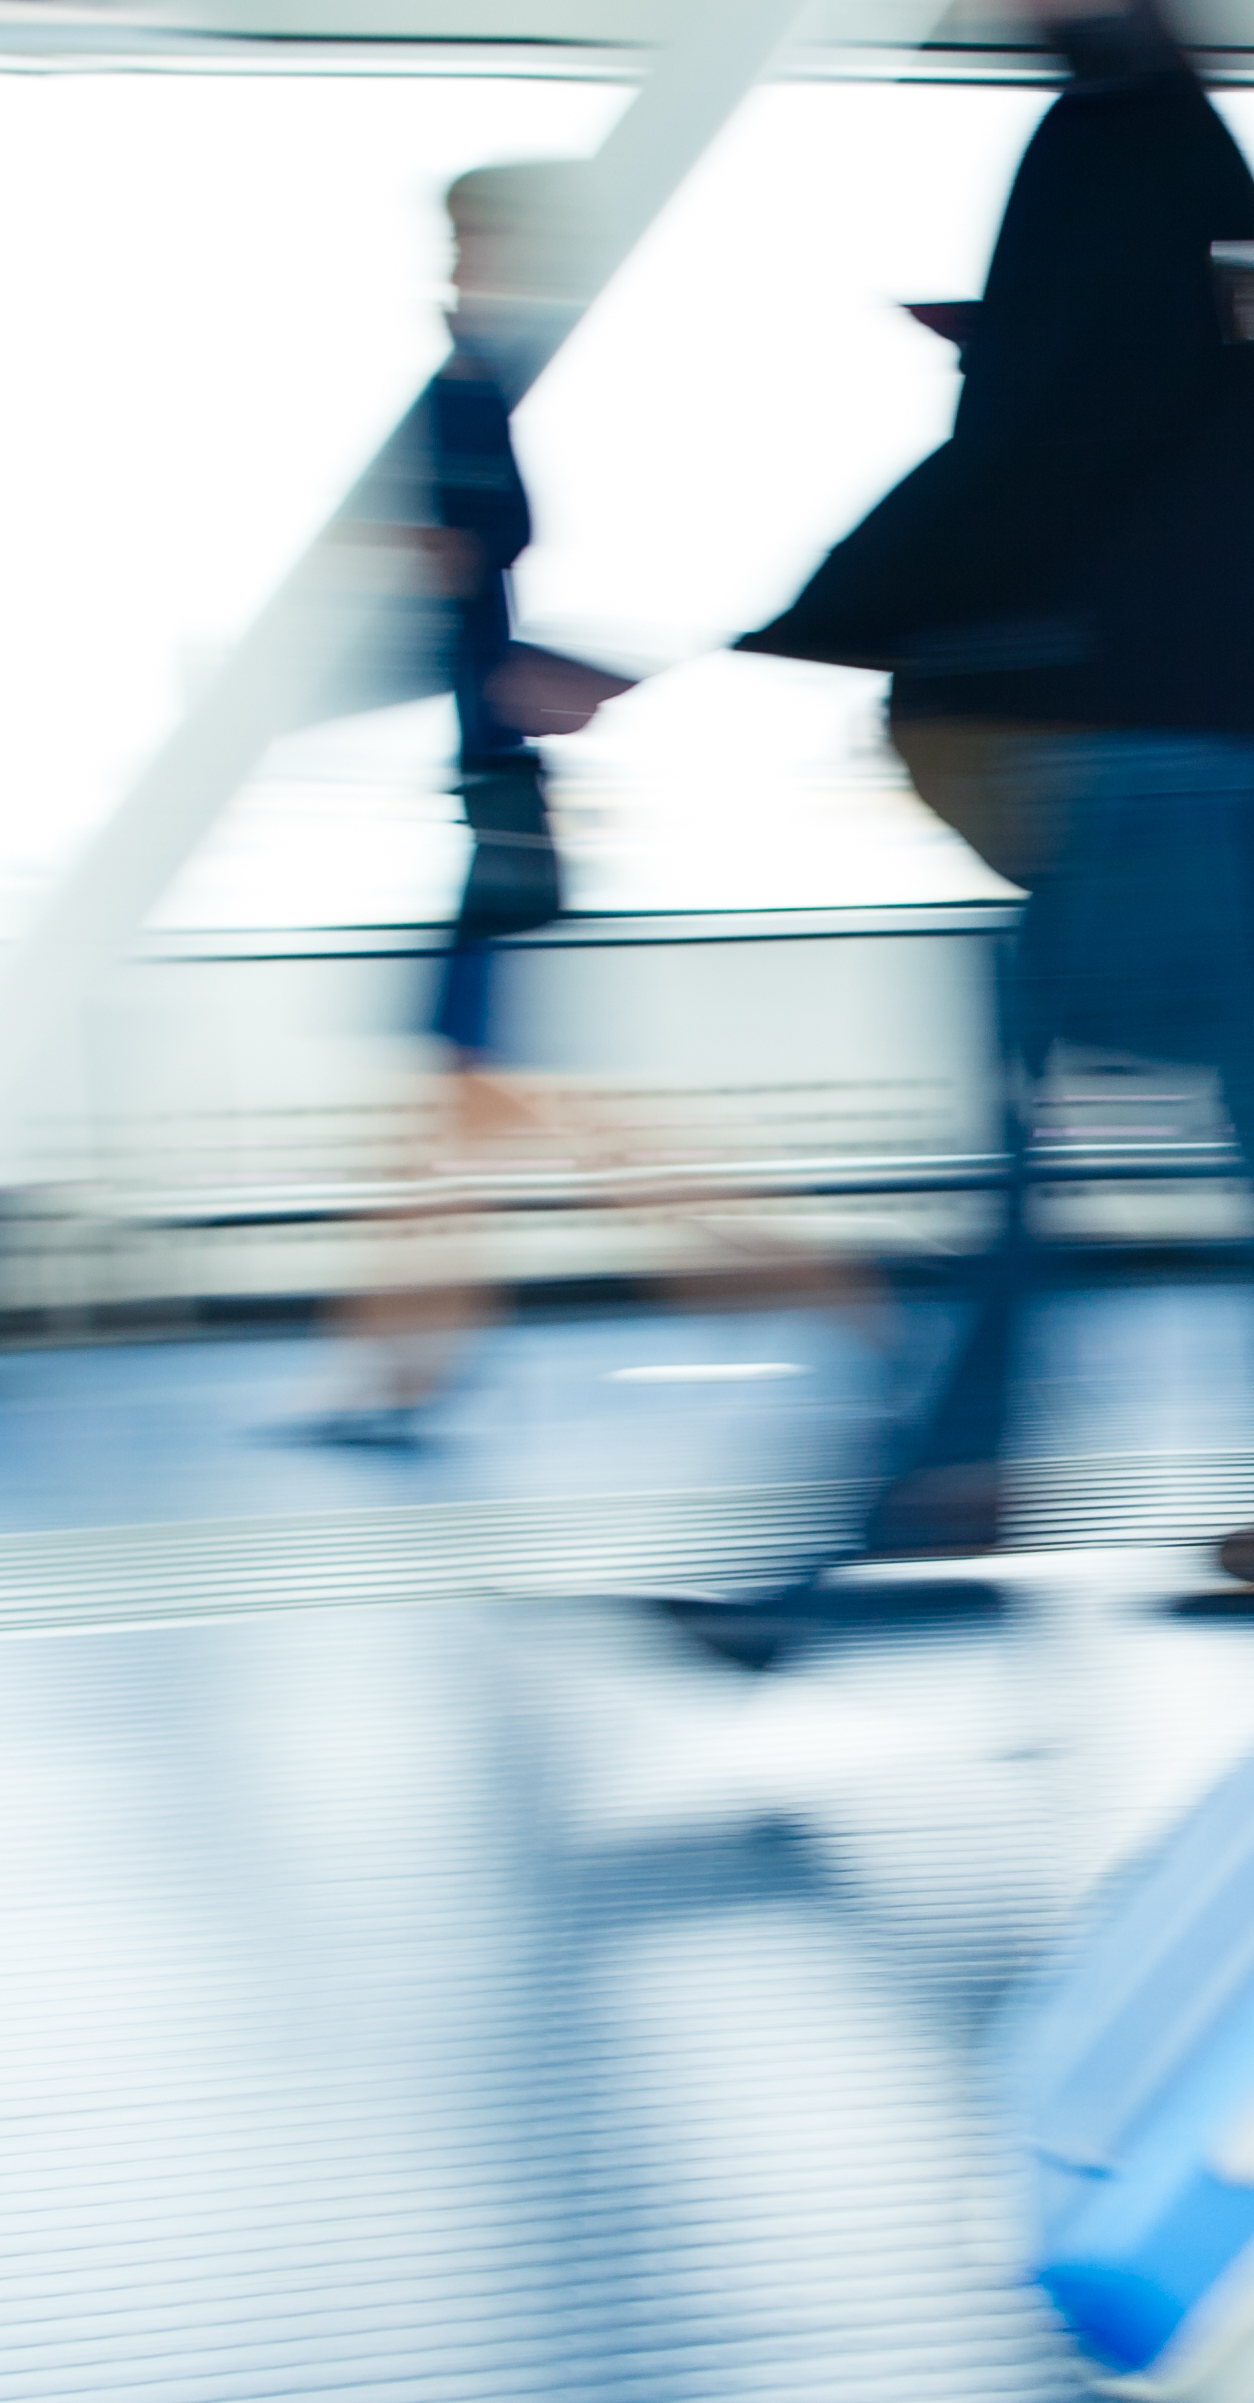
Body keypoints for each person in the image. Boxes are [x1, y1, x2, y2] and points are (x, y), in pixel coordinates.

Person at [697, 0, 1254, 1619]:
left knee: (1096, 1134)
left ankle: (974, 1481)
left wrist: (816, 613)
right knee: (1138, 1131)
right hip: (1171, 719)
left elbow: (1059, 435)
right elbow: (1162, 416)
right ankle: (1021, 1474)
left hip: (1149, 730)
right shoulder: (1162, 141)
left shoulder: (1120, 137)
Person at [288, 160, 852, 1451]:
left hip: (505, 810)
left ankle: (799, 1270)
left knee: (495, 1112)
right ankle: (412, 1368)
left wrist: (447, 607)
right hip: (491, 798)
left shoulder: (470, 402)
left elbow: (470, 587)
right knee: (462, 1116)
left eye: (471, 239)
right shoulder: (470, 393)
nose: (455, 262)